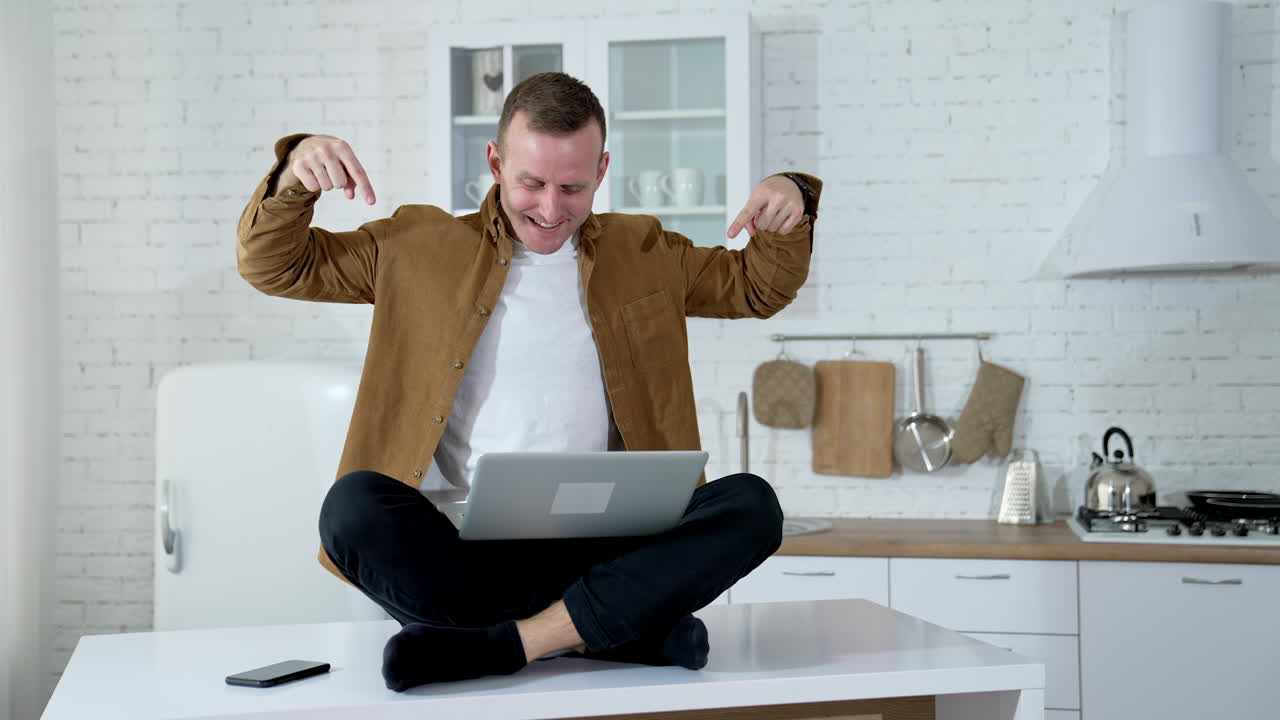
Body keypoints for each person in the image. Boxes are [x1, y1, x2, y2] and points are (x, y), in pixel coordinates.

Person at [235, 72, 822, 692]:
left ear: (601, 171)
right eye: (531, 183)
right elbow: (276, 263)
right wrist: (293, 176)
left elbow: (757, 288)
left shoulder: (645, 250)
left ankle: (513, 642)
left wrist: (792, 201)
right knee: (351, 508)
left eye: (573, 187)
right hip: (464, 550)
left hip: (609, 546)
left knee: (753, 505)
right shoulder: (413, 245)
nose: (550, 209)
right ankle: (620, 631)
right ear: (495, 160)